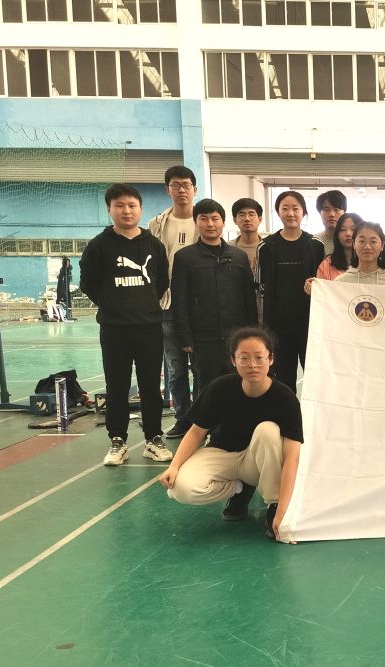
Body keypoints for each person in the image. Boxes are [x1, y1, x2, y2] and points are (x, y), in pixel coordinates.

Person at [160, 327, 303, 539]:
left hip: (256, 463)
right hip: (222, 454)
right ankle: (239, 489)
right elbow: (196, 432)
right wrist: (174, 466)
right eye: (244, 358)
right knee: (180, 489)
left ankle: (272, 504)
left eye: (259, 357)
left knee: (268, 430)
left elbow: (292, 456)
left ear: (271, 359)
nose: (252, 364)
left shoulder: (285, 398)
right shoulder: (220, 387)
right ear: (234, 361)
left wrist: (283, 509)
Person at [80, 183, 172, 467]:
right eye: (119, 205)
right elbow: (88, 284)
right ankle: (117, 440)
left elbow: (161, 282)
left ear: (140, 209)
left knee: (150, 386)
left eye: (132, 205)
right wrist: (112, 304)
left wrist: (144, 305)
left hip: (149, 327)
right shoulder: (98, 246)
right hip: (114, 329)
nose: (126, 211)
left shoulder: (154, 245)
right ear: (110, 209)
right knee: (117, 386)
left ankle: (153, 439)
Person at [171, 198, 258, 396]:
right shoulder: (184, 257)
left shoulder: (238, 256)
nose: (210, 224)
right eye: (204, 219)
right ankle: (205, 418)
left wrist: (251, 333)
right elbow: (179, 300)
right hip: (203, 338)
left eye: (215, 218)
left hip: (235, 336)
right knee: (206, 387)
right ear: (196, 222)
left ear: (223, 222)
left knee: (238, 386)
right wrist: (185, 337)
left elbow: (248, 299)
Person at [148, 165, 197, 439]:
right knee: (176, 370)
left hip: (199, 306)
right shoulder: (156, 224)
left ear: (194, 189)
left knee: (202, 369)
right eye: (175, 185)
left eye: (186, 185)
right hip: (167, 307)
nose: (181, 190)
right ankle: (183, 419)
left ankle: (203, 420)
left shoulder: (205, 219)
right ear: (168, 190)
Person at [258, 190, 324, 392]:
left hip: (310, 325)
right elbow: (261, 288)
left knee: (314, 378)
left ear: (304, 212)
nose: (291, 213)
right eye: (285, 208)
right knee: (283, 380)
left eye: (296, 208)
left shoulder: (315, 245)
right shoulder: (266, 247)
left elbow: (323, 284)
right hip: (278, 327)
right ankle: (287, 412)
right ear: (278, 212)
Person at [335, 221, 385, 285]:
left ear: (382, 246)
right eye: (362, 241)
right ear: (354, 244)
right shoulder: (340, 282)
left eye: (373, 241)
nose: (367, 247)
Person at [317, 212, 362, 281]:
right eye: (342, 229)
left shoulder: (371, 262)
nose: (348, 234)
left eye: (353, 229)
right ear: (337, 234)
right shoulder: (326, 265)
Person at [230, 198, 263, 274]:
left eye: (251, 214)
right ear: (235, 220)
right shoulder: (227, 248)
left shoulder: (268, 246)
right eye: (242, 215)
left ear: (260, 219)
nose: (247, 219)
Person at [312, 190, 346, 257]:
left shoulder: (352, 241)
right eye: (326, 209)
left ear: (344, 213)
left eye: (336, 209)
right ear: (320, 213)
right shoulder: (313, 241)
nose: (332, 214)